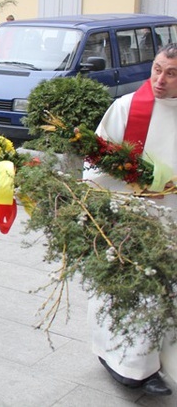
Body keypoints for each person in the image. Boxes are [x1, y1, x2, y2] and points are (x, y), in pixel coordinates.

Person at [87, 44, 177, 397]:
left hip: (173, 219)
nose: (160, 79)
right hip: (131, 216)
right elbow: (97, 160)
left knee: (163, 295)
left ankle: (151, 363)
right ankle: (127, 365)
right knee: (130, 293)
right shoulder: (127, 108)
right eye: (157, 69)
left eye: (171, 73)